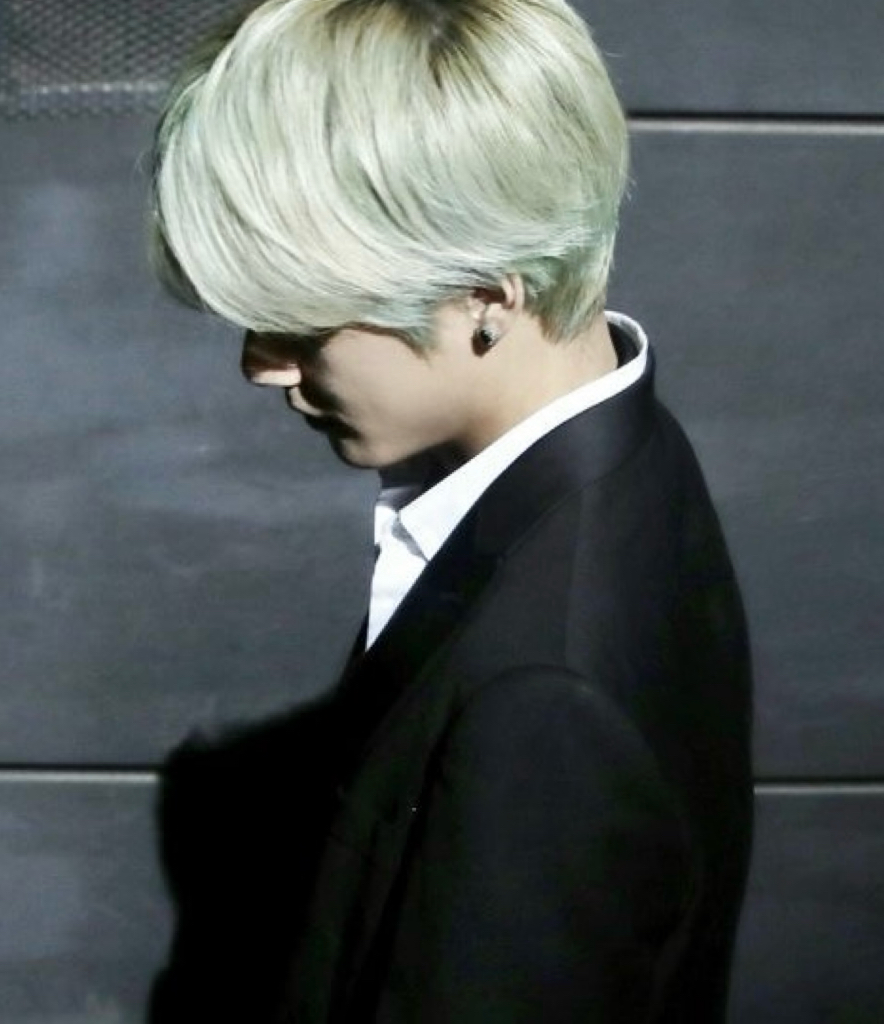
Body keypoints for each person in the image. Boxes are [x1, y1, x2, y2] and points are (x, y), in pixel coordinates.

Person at [149, 0, 753, 1021]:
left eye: (299, 320)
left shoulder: (545, 698)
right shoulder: (631, 452)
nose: (261, 364)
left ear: (486, 297)